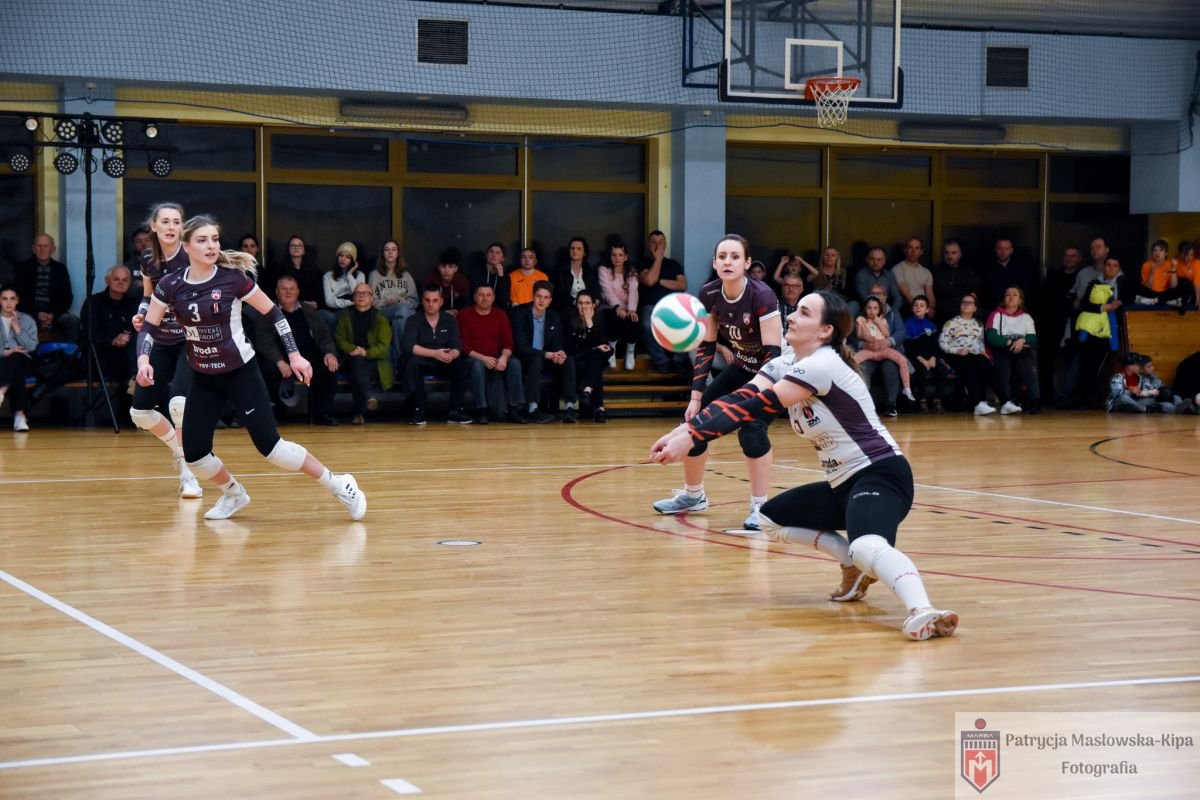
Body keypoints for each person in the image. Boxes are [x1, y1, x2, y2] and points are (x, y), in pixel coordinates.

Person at [649, 290, 958, 641]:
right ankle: (852, 566)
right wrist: (681, 431)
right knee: (769, 518)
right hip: (842, 483)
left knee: (866, 546)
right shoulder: (785, 364)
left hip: (881, 476)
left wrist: (691, 438)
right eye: (794, 310)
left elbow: (754, 407)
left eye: (804, 313)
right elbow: (737, 398)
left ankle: (923, 611)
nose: (792, 317)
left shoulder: (822, 365)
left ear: (825, 331)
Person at [136, 215, 365, 521]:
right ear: (186, 246)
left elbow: (275, 315)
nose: (211, 245)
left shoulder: (232, 279)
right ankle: (234, 494)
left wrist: (295, 356)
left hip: (240, 373)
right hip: (204, 376)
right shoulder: (170, 285)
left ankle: (339, 484)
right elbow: (148, 328)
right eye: (202, 240)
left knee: (272, 449)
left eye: (215, 239)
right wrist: (143, 360)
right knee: (195, 455)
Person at [651, 234, 782, 531]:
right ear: (714, 262)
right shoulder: (709, 293)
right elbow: (706, 346)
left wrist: (753, 393)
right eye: (722, 256)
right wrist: (696, 396)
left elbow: (773, 356)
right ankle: (693, 496)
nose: (728, 262)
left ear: (747, 263)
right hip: (742, 366)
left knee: (751, 429)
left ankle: (760, 507)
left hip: (773, 374)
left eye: (735, 256)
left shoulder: (762, 295)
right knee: (696, 420)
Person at [129, 202, 202, 499]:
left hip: (190, 338)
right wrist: (141, 313)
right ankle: (180, 450)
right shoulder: (148, 258)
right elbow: (148, 297)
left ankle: (189, 474)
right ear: (154, 226)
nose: (171, 227)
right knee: (140, 413)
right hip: (160, 337)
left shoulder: (192, 255)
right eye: (166, 221)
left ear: (182, 227)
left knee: (179, 405)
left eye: (176, 222)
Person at [255, 274, 339, 426]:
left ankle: (322, 414)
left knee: (329, 369)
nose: (288, 292)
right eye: (284, 289)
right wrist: (279, 361)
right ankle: (273, 416)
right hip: (280, 359)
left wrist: (329, 353)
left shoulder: (309, 311)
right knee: (266, 370)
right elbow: (264, 341)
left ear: (298, 292)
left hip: (308, 358)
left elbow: (324, 336)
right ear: (277, 292)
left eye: (292, 289)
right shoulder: (267, 311)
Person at [401, 286, 471, 425]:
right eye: (427, 300)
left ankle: (455, 411)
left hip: (444, 359)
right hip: (423, 358)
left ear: (441, 302)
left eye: (434, 300)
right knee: (412, 362)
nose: (430, 304)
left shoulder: (449, 320)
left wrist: (452, 354)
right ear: (422, 301)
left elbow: (457, 346)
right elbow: (409, 346)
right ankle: (419, 411)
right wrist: (434, 353)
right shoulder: (413, 320)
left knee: (461, 365)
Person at [457, 284, 525, 424]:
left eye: (488, 295)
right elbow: (464, 346)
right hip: (474, 357)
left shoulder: (501, 315)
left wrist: (504, 358)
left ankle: (514, 409)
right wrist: (483, 358)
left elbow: (508, 343)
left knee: (514, 363)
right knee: (477, 365)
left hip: (497, 356)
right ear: (475, 297)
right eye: (481, 295)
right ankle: (482, 410)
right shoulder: (464, 315)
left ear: (493, 298)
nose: (485, 298)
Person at [510, 281, 575, 423]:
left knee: (568, 360)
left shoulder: (553, 316)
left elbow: (557, 343)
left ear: (550, 300)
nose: (541, 300)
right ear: (533, 296)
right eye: (538, 296)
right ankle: (533, 408)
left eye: (546, 297)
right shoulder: (520, 313)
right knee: (536, 359)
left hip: (547, 357)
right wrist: (547, 354)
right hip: (525, 359)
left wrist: (559, 353)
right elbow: (521, 347)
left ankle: (569, 408)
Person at [335, 282, 393, 425]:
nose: (361, 296)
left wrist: (366, 353)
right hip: (351, 358)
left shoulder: (381, 319)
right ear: (353, 298)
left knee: (358, 368)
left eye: (365, 293)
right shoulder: (345, 316)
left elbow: (383, 347)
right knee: (356, 362)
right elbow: (339, 339)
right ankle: (368, 397)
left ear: (372, 298)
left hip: (375, 362)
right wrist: (352, 349)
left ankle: (358, 413)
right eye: (357, 293)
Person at [1037, 246, 1084, 405]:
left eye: (1073, 255)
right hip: (1050, 324)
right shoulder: (1053, 275)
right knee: (1046, 361)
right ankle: (1046, 396)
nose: (1069, 258)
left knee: (1071, 360)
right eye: (1066, 255)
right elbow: (1043, 298)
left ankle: (1070, 397)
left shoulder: (1081, 276)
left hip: (1073, 324)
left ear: (1079, 258)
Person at [638, 230, 689, 374]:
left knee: (687, 321)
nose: (658, 246)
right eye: (654, 242)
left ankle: (679, 363)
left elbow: (682, 285)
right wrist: (658, 259)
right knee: (646, 324)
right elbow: (649, 280)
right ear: (648, 245)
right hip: (650, 307)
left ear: (665, 244)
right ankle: (662, 363)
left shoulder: (673, 264)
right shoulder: (642, 263)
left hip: (672, 306)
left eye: (661, 242)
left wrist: (659, 281)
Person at [939, 294, 999, 415]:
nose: (966, 305)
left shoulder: (978, 324)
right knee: (970, 367)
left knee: (986, 364)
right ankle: (977, 403)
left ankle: (1003, 401)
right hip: (956, 354)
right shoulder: (951, 323)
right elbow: (942, 343)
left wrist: (982, 351)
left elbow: (980, 342)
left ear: (975, 308)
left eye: (970, 303)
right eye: (964, 302)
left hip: (973, 354)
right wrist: (957, 351)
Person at [853, 296, 915, 413]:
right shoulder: (860, 319)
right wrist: (864, 343)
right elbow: (856, 336)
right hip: (868, 350)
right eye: (869, 308)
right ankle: (860, 403)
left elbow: (898, 333)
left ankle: (897, 398)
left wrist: (887, 340)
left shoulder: (890, 315)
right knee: (857, 365)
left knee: (894, 365)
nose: (872, 311)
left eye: (875, 308)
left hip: (885, 349)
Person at [80, 264, 140, 384]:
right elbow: (89, 333)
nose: (121, 283)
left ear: (129, 283)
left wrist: (129, 337)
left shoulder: (134, 303)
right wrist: (113, 340)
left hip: (127, 355)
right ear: (107, 280)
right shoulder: (94, 302)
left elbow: (140, 330)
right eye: (116, 279)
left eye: (125, 280)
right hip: (102, 356)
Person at [985, 286, 1040, 414]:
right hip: (1002, 349)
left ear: (1020, 300)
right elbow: (992, 337)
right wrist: (1010, 341)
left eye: (1015, 295)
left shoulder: (1026, 317)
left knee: (1029, 371)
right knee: (1003, 372)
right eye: (1007, 294)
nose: (1011, 297)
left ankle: (1034, 402)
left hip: (1021, 349)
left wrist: (1022, 340)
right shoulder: (995, 315)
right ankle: (1006, 403)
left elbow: (1032, 339)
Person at [14, 233, 79, 342]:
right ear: (33, 249)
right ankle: (27, 353)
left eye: (46, 246)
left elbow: (67, 297)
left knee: (72, 321)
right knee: (18, 321)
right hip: (30, 312)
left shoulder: (60, 269)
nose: (42, 249)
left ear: (53, 249)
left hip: (54, 314)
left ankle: (70, 353)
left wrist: (53, 315)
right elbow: (18, 297)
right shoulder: (23, 268)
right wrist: (37, 313)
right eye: (39, 246)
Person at [564, 289, 611, 423]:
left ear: (593, 305)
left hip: (592, 363)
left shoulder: (599, 320)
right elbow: (571, 350)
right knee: (596, 361)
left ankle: (588, 391)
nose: (583, 307)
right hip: (575, 362)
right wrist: (594, 349)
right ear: (576, 305)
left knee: (597, 359)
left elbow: (605, 347)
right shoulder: (569, 321)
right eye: (580, 303)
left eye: (587, 303)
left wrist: (590, 323)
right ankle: (599, 408)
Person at [369, 239, 419, 355]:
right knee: (403, 311)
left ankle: (400, 356)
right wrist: (385, 302)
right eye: (387, 250)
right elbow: (370, 301)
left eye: (393, 250)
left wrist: (401, 301)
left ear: (398, 253)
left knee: (398, 321)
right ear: (382, 253)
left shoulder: (406, 275)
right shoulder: (374, 275)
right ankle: (408, 353)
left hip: (403, 312)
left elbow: (415, 302)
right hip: (382, 312)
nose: (390, 252)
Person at [903, 295, 949, 413]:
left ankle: (937, 401)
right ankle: (922, 402)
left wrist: (933, 358)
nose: (918, 308)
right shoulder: (908, 324)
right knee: (921, 371)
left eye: (922, 306)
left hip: (930, 357)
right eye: (916, 305)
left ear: (927, 309)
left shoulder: (931, 325)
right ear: (912, 308)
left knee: (943, 371)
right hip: (915, 357)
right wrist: (922, 360)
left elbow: (935, 345)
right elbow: (908, 347)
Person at [598, 240, 640, 370]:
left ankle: (630, 352)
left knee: (633, 319)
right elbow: (608, 292)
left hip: (628, 308)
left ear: (626, 257)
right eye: (614, 255)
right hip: (610, 307)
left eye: (620, 255)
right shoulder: (604, 270)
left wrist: (632, 310)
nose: (617, 258)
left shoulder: (631, 272)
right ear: (610, 256)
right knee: (615, 318)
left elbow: (633, 292)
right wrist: (618, 307)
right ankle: (612, 350)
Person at [0, 286, 36, 432]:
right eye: (4, 299)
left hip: (23, 361)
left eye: (12, 299)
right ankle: (19, 415)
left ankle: (1, 391)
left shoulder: (26, 320)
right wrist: (5, 352)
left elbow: (31, 346)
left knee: (16, 358)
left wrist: (17, 328)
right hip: (2, 361)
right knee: (16, 372)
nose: (8, 303)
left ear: (17, 301)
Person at [979, 237, 1034, 312]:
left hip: (1016, 310)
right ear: (995, 249)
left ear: (1011, 250)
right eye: (999, 248)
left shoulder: (1021, 269)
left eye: (1006, 248)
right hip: (993, 310)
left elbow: (1025, 291)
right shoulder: (985, 269)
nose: (1003, 252)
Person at [932, 238, 979, 321]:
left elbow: (972, 289)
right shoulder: (936, 271)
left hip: (964, 315)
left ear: (959, 255)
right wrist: (961, 289)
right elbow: (942, 289)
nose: (950, 256)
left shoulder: (967, 272)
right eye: (946, 253)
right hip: (942, 315)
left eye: (953, 253)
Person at [321, 241, 365, 328]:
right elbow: (329, 301)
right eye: (341, 255)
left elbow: (359, 295)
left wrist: (349, 276)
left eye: (348, 257)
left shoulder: (360, 275)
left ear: (353, 260)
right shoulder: (328, 276)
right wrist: (348, 303)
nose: (343, 259)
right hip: (338, 310)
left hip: (356, 309)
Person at [553, 236, 601, 316]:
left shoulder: (589, 270)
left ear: (584, 253)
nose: (574, 251)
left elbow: (596, 290)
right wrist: (576, 303)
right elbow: (560, 294)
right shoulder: (560, 271)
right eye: (572, 248)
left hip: (588, 306)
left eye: (579, 249)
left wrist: (596, 300)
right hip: (568, 308)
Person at [272, 235, 323, 308]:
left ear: (304, 250)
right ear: (288, 250)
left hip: (310, 308)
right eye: (293, 245)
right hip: (287, 307)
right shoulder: (280, 270)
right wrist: (300, 303)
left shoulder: (315, 271)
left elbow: (319, 295)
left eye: (299, 245)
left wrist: (315, 304)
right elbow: (276, 293)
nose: (296, 248)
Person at [1136, 239, 1189, 307]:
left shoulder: (1170, 264)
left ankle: (1156, 300)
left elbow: (1173, 286)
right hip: (1151, 293)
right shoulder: (1146, 265)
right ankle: (1165, 300)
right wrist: (1152, 274)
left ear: (1166, 253)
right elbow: (1147, 287)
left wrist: (1173, 269)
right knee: (1137, 288)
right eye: (1155, 250)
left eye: (1161, 250)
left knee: (1184, 284)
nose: (1157, 253)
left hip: (1165, 293)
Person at [891, 237, 936, 317]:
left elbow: (930, 295)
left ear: (921, 252)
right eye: (910, 247)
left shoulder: (926, 272)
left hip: (925, 309)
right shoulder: (897, 269)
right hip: (908, 309)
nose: (913, 251)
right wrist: (921, 309)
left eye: (917, 248)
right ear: (905, 250)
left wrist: (930, 309)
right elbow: (906, 294)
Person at [422, 247, 473, 316]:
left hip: (456, 314)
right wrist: (443, 313)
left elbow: (466, 304)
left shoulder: (462, 281)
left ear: (456, 268)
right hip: (435, 314)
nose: (446, 270)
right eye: (443, 266)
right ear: (438, 267)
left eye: (450, 267)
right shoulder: (431, 279)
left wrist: (456, 312)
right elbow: (425, 304)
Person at [853, 246, 902, 313]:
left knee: (896, 315)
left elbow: (897, 297)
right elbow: (863, 297)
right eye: (872, 259)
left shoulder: (889, 275)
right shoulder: (861, 275)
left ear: (884, 261)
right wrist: (877, 309)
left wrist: (893, 310)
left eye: (879, 260)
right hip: (867, 308)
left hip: (886, 308)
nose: (875, 262)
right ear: (867, 260)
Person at [468, 241, 511, 312]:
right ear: (487, 255)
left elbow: (504, 300)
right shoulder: (477, 272)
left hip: (497, 311)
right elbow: (473, 294)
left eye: (497, 253)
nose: (493, 255)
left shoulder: (505, 276)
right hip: (478, 308)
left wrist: (501, 276)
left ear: (503, 258)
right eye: (491, 252)